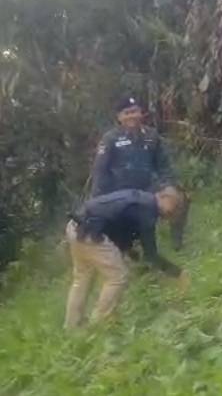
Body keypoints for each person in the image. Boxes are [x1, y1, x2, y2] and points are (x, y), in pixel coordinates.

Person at [64, 186, 186, 329]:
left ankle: (72, 326)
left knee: (83, 276)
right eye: (175, 206)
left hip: (76, 226)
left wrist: (131, 254)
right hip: (91, 231)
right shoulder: (148, 209)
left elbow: (120, 231)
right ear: (164, 197)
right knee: (118, 276)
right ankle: (99, 324)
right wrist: (178, 273)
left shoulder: (140, 200)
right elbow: (151, 256)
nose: (175, 211)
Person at [91, 96, 189, 250]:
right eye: (127, 113)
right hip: (122, 194)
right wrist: (98, 201)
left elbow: (164, 166)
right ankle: (132, 246)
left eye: (135, 111)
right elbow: (100, 172)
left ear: (141, 113)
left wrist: (169, 185)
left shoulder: (151, 136)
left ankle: (177, 243)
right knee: (127, 227)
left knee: (179, 198)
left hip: (149, 188)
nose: (132, 116)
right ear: (119, 117)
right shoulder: (110, 139)